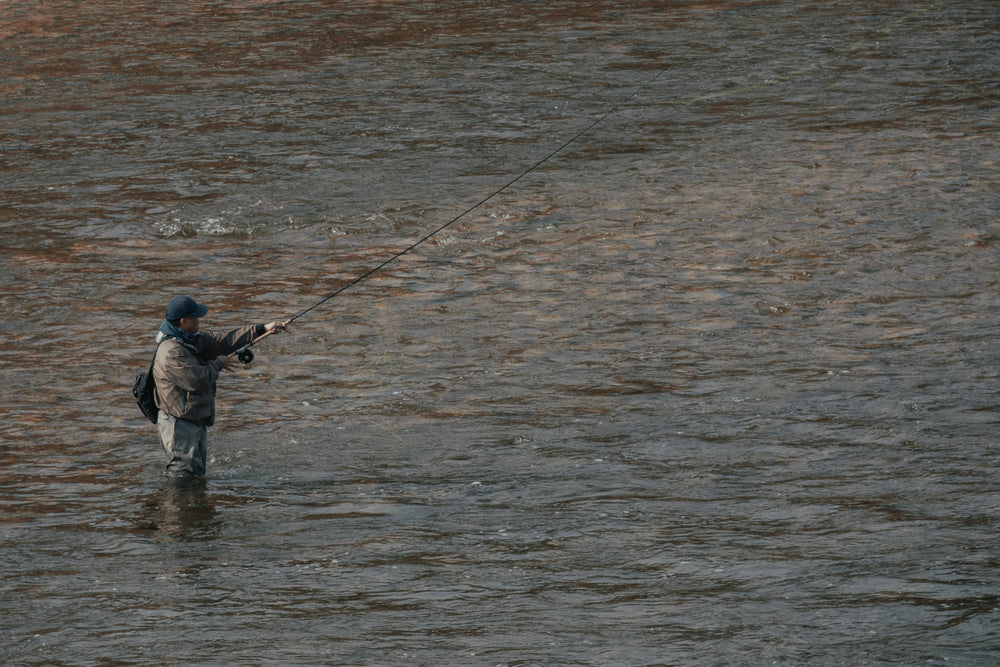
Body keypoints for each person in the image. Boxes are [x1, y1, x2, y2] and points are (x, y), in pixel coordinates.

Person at [152, 295, 289, 478]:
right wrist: (218, 363)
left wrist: (263, 328)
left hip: (192, 419)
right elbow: (196, 380)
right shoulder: (171, 352)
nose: (199, 320)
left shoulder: (190, 339)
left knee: (196, 475)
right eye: (195, 317)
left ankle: (194, 507)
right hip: (179, 424)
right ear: (184, 321)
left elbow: (224, 340)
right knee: (183, 478)